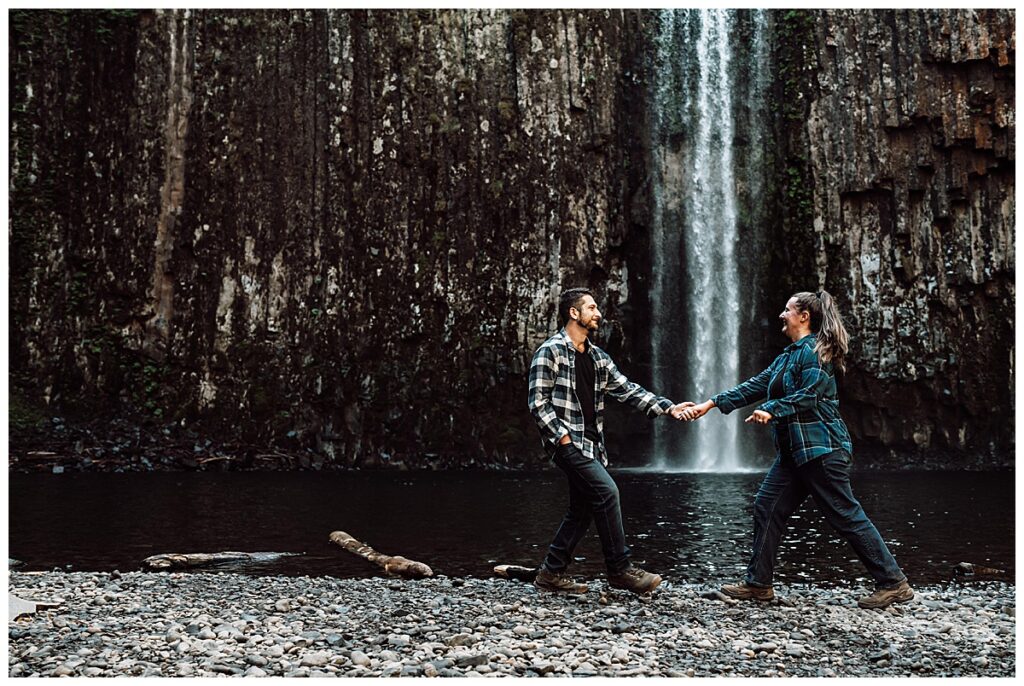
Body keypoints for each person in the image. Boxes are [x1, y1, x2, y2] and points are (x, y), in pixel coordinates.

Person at [679, 290, 913, 609]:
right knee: (767, 505)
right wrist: (712, 403)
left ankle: (893, 582)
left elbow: (810, 394)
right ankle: (759, 584)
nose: (781, 315)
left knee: (845, 514)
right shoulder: (788, 356)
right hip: (794, 454)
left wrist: (773, 409)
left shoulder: (815, 351)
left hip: (822, 449)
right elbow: (755, 385)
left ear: (803, 317)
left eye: (787, 310)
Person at [528, 287, 690, 595]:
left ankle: (551, 571)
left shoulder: (598, 357)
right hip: (569, 443)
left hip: (592, 445)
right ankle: (620, 569)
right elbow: (538, 402)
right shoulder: (550, 351)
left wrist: (668, 407)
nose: (598, 313)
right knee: (606, 491)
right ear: (573, 313)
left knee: (583, 508)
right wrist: (561, 437)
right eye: (590, 308)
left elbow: (628, 390)